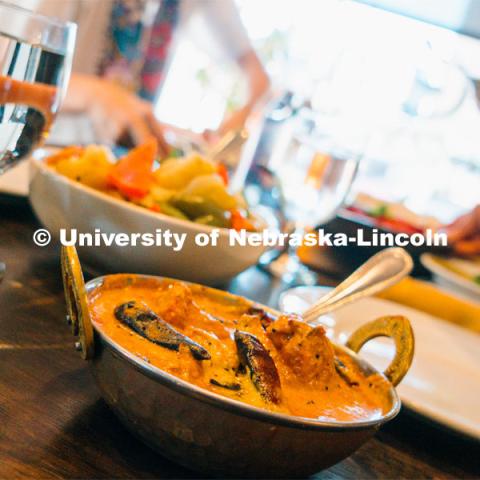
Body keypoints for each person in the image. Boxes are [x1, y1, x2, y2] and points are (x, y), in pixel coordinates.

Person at [16, 0, 270, 155]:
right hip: (41, 152)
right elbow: (19, 76)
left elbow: (259, 79)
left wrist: (236, 122)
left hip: (120, 167)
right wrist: (98, 95)